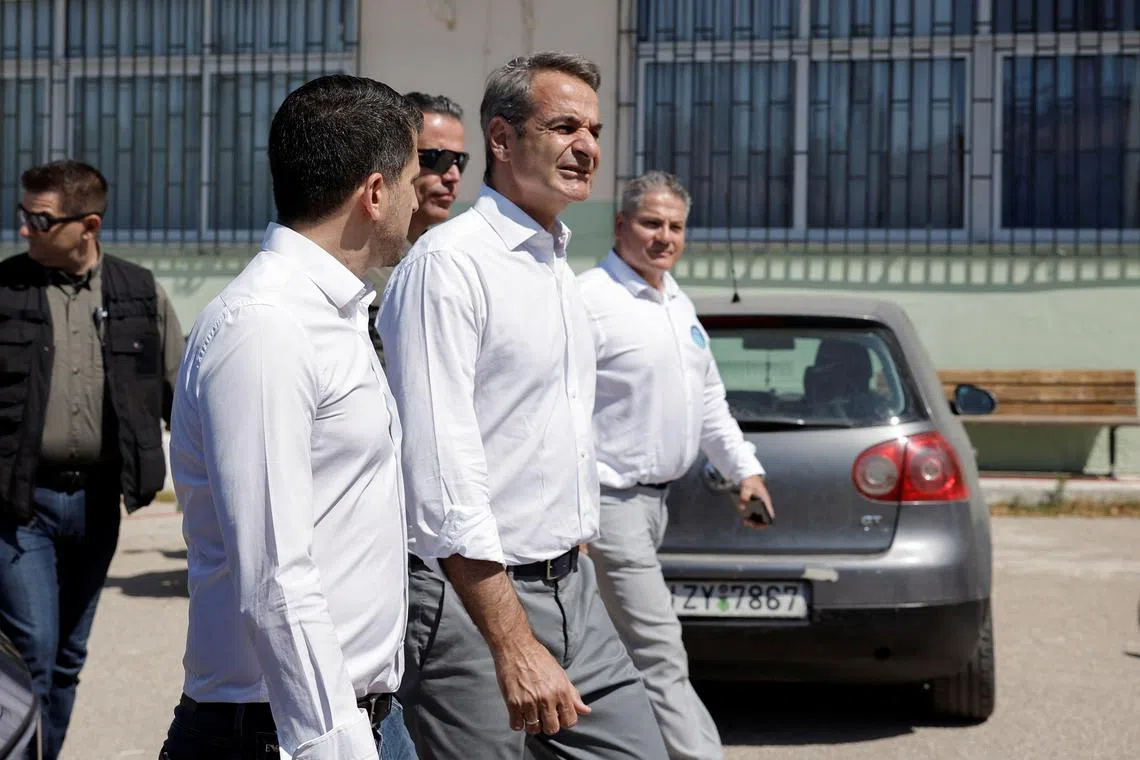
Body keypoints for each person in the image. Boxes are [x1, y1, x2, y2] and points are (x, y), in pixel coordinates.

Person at [378, 52, 669, 760]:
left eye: (594, 131)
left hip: (573, 590)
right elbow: (440, 477)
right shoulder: (449, 265)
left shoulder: (557, 264)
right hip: (474, 601)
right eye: (564, 126)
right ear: (503, 140)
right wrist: (511, 642)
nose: (587, 146)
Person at [158, 74, 422, 760]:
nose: (419, 201)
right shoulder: (266, 326)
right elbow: (274, 576)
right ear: (374, 193)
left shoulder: (333, 314)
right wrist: (338, 744)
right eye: (413, 180)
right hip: (289, 734)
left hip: (357, 718)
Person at [576, 170, 775, 760]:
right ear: (621, 225)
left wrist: (745, 470)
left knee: (619, 649)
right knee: (660, 648)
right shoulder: (589, 299)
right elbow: (561, 411)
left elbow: (708, 401)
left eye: (676, 226)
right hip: (608, 505)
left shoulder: (675, 300)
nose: (665, 237)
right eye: (651, 223)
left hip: (658, 504)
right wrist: (575, 508)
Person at [0, 159, 184, 760]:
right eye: (23, 214)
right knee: (33, 649)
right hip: (20, 506)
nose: (24, 228)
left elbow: (184, 400)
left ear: (89, 225)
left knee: (67, 658)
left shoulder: (139, 293)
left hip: (99, 504)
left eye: (40, 219)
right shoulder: (5, 290)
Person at [365, 91, 467, 367]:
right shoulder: (360, 262)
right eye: (437, 158)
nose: (453, 175)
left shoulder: (445, 258)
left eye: (460, 161)